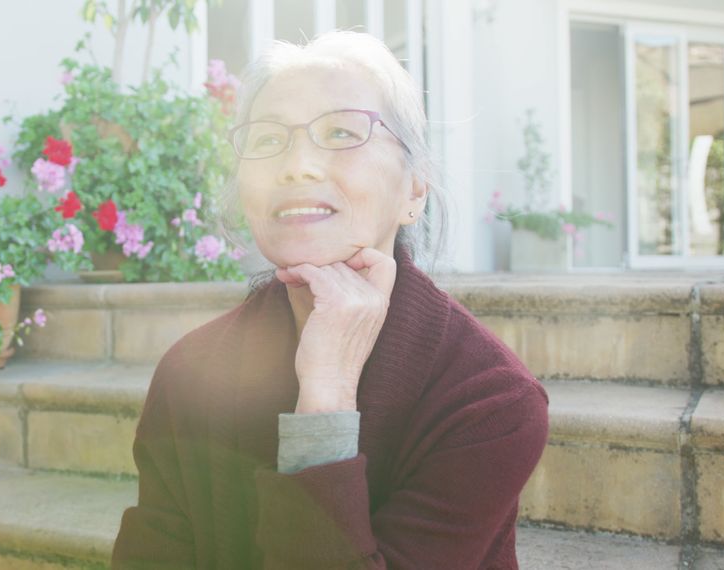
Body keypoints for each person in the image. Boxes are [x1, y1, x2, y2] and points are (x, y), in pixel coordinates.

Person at [112, 30, 548, 569]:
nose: (297, 165)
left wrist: (326, 400)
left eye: (341, 132)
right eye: (269, 139)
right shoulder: (191, 370)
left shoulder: (488, 401)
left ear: (413, 190)